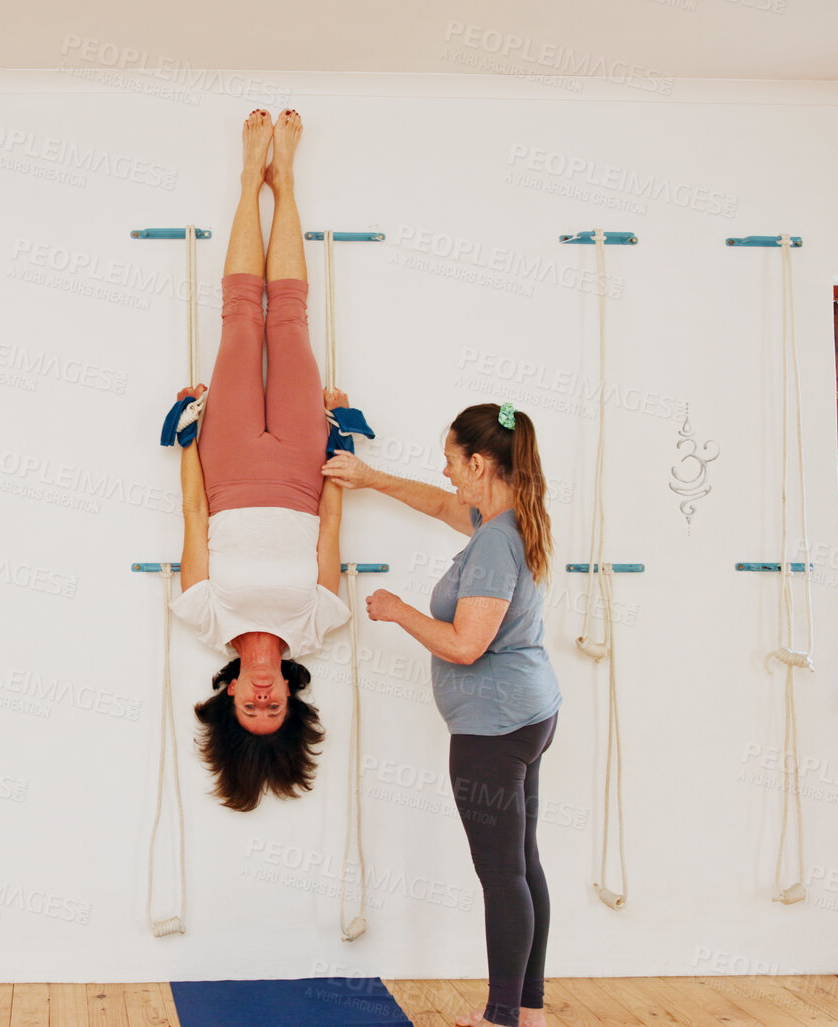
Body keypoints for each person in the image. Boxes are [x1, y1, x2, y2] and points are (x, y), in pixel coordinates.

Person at [323, 402, 561, 1027]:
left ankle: (501, 1018)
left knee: (502, 876)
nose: (446, 471)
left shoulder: (496, 544)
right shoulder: (511, 516)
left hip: (495, 729)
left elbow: (465, 645)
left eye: (452, 460)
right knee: (521, 866)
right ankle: (528, 1014)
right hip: (526, 714)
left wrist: (396, 609)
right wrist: (371, 478)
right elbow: (436, 504)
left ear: (480, 464)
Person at [170, 110, 356, 811]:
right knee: (291, 320)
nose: (261, 697)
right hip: (304, 470)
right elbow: (331, 526)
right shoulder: (319, 622)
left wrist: (188, 433)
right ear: (289, 699)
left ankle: (252, 178)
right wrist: (340, 440)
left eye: (249, 708)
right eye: (272, 708)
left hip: (227, 465)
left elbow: (193, 514)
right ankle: (289, 182)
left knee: (243, 318)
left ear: (226, 698)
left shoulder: (203, 615)